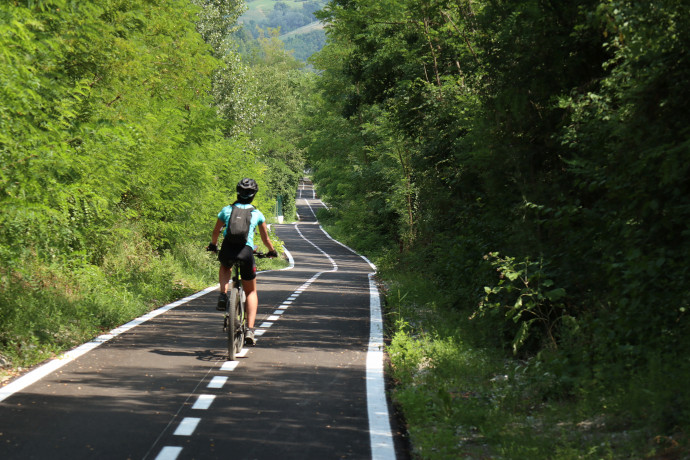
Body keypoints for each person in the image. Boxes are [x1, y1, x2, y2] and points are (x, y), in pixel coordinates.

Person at [207, 178, 278, 345]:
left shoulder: (226, 210)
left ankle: (223, 295)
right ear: (254, 195)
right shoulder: (257, 214)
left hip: (228, 250)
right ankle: (250, 331)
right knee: (251, 292)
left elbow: (216, 232)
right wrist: (272, 251)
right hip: (246, 253)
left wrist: (213, 245)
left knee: (225, 266)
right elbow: (265, 238)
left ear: (237, 193)